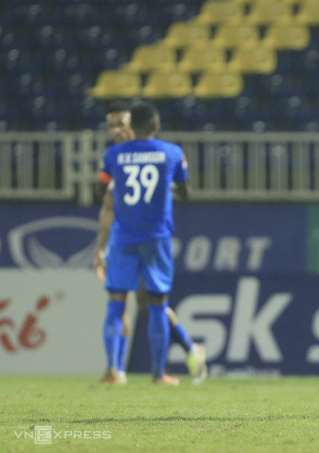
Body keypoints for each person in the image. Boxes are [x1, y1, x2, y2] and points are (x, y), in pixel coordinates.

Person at [96, 101, 207, 386]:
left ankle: (124, 368)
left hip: (129, 237)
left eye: (120, 124)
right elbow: (109, 206)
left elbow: (105, 199)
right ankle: (140, 370)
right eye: (111, 126)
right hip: (151, 236)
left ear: (131, 125)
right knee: (150, 303)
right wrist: (100, 246)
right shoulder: (167, 153)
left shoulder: (116, 157)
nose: (115, 131)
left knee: (135, 302)